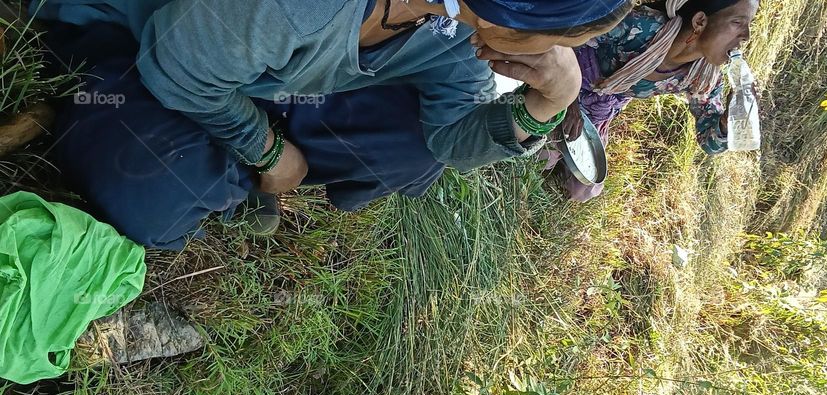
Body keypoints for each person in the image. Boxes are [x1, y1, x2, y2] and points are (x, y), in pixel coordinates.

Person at [30, 0, 634, 249]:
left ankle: (223, 171)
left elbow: (450, 137)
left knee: (414, 152)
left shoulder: (456, 26)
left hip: (253, 73)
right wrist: (268, 151)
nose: (555, 56)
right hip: (138, 39)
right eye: (558, 43)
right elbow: (178, 67)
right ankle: (81, 101)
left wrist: (547, 103)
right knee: (148, 199)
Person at [548, 0, 760, 202]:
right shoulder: (643, 27)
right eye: (737, 23)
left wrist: (727, 120)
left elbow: (709, 142)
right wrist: (569, 100)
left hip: (597, 110)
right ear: (700, 22)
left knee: (584, 188)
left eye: (749, 25)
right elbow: (570, 36)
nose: (747, 36)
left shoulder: (702, 77)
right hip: (566, 76)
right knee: (545, 152)